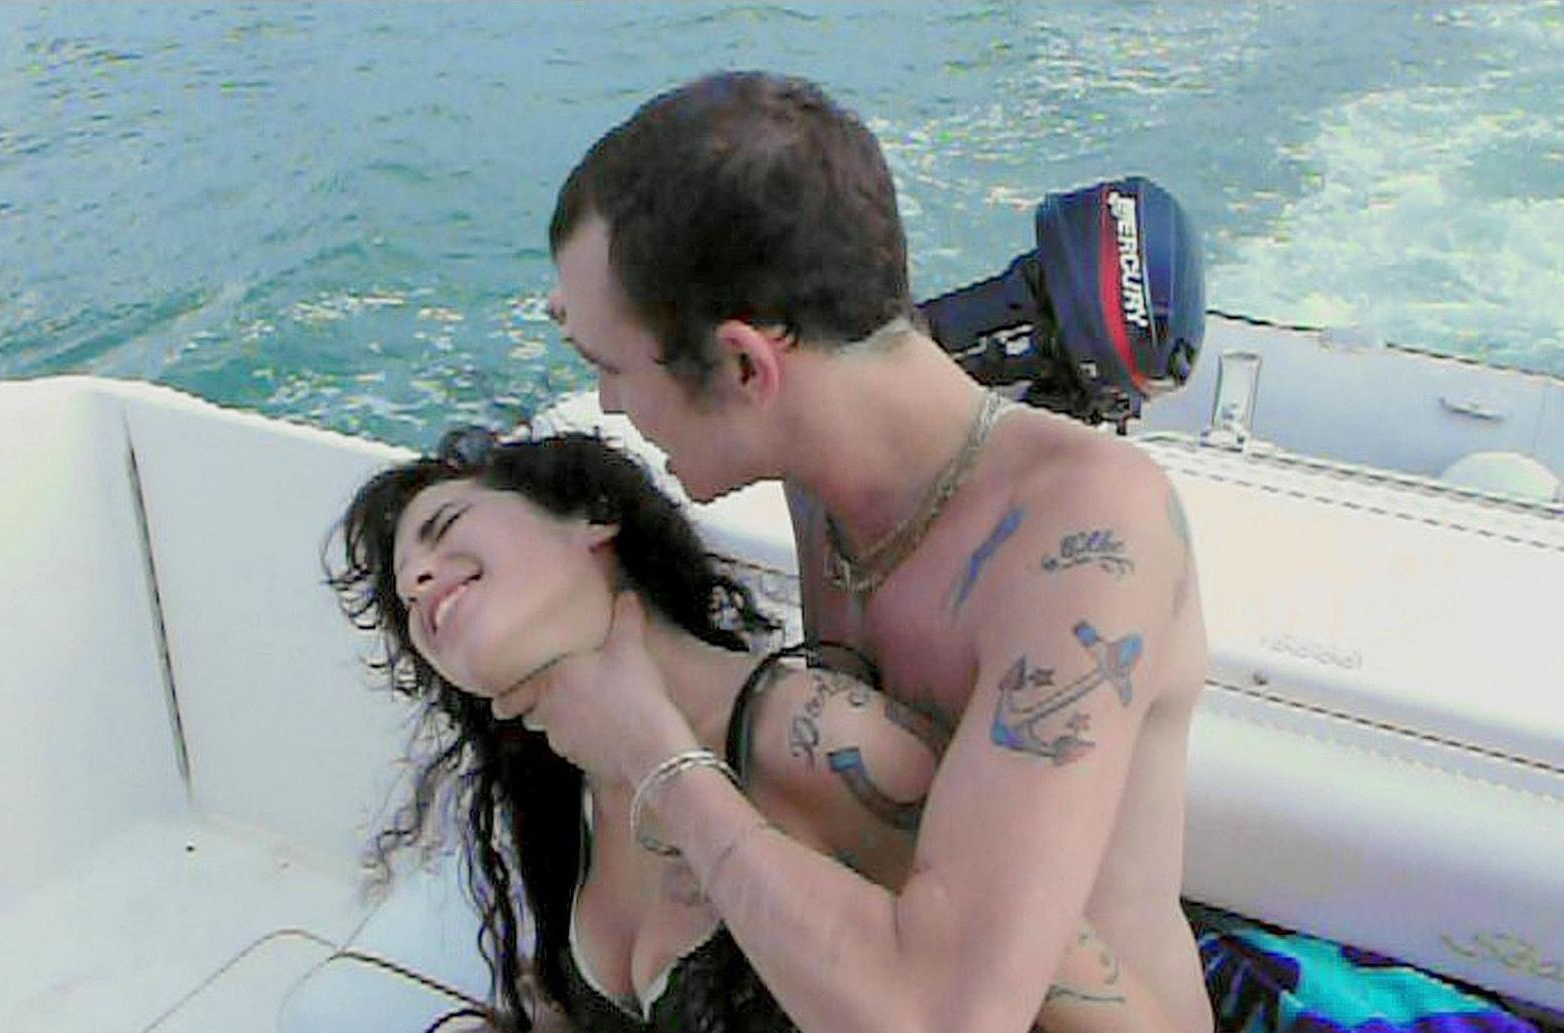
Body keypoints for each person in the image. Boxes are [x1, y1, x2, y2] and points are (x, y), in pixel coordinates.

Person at [512, 71, 1216, 1033]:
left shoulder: (1083, 536)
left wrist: (652, 750)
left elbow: (948, 1021)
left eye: (610, 368)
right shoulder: (831, 459)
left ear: (746, 364)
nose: (608, 405)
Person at [330, 428, 1175, 1033]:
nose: (421, 579)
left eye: (445, 530)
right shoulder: (568, 798)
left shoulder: (819, 742)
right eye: (408, 592)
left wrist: (660, 759)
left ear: (590, 518)